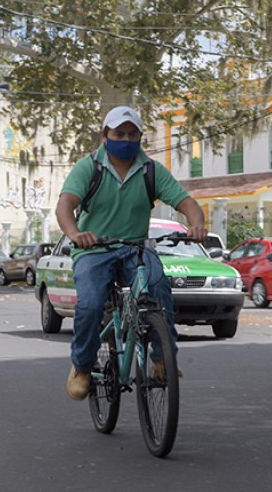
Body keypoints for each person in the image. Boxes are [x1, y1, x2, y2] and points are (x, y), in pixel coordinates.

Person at [55, 105, 207, 400]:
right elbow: (65, 205)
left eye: (132, 134)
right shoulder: (89, 167)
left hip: (135, 248)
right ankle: (82, 367)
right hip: (94, 250)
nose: (125, 139)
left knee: (159, 288)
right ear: (104, 136)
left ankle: (163, 360)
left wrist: (197, 224)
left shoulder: (150, 169)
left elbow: (186, 202)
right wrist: (75, 234)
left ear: (140, 137)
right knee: (90, 304)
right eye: (119, 133)